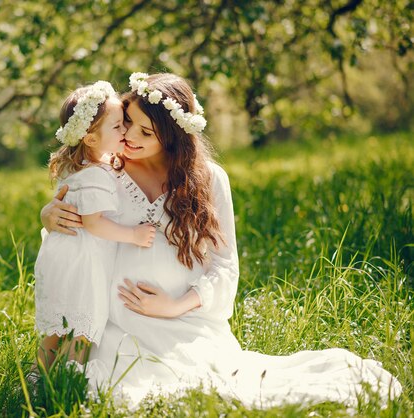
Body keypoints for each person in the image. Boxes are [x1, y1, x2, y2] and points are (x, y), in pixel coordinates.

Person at [39, 73, 402, 408]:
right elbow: (72, 224)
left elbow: (225, 267)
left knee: (210, 388)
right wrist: (48, 216)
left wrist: (175, 305)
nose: (130, 137)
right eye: (129, 122)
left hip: (183, 324)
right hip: (115, 324)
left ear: (172, 135)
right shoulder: (103, 170)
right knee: (115, 389)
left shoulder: (208, 180)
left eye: (146, 134)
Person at [34, 80, 157, 370]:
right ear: (90, 139)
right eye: (118, 127)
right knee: (81, 326)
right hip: (83, 262)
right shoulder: (97, 175)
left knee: (57, 328)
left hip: (63, 254)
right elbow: (94, 223)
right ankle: (66, 382)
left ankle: (38, 375)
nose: (125, 131)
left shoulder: (79, 166)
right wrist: (133, 235)